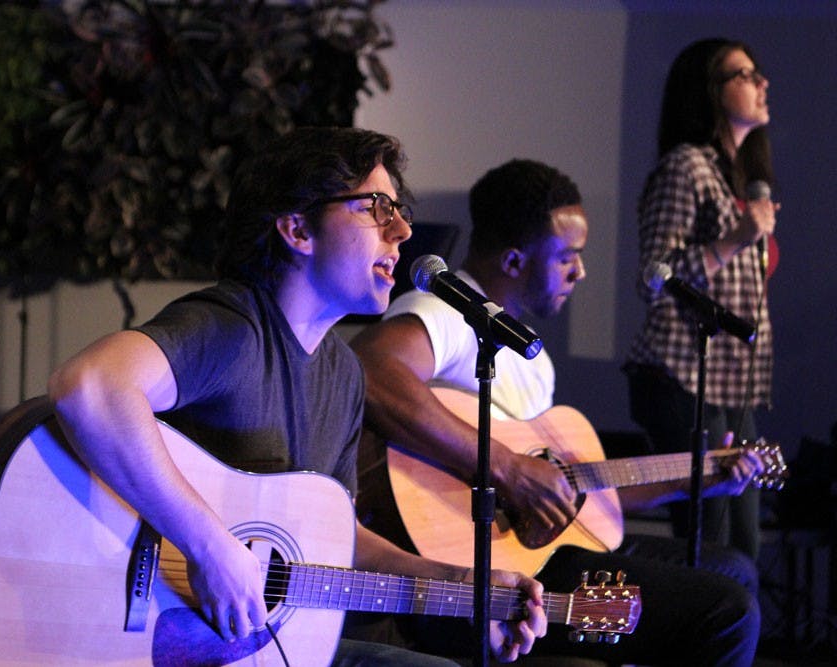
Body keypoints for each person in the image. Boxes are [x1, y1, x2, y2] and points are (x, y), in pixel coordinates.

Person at [46, 127, 546, 666]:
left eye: (399, 210)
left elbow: (338, 540)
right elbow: (92, 386)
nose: (401, 230)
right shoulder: (230, 328)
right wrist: (210, 547)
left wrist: (465, 589)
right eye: (375, 207)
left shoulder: (344, 375)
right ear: (296, 229)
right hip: (138, 635)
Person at [348, 158, 764, 666]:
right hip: (479, 566)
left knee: (733, 570)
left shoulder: (531, 355)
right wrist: (506, 466)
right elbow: (370, 368)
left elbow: (572, 493)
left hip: (546, 552)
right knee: (726, 611)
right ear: (515, 261)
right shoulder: (446, 313)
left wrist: (693, 478)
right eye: (568, 256)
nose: (581, 272)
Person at [624, 38, 779, 561]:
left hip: (734, 384)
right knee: (710, 543)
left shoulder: (735, 177)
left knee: (744, 544)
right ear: (708, 92)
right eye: (745, 74)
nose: (762, 83)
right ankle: (697, 633)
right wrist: (733, 239)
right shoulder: (685, 168)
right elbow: (652, 275)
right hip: (683, 376)